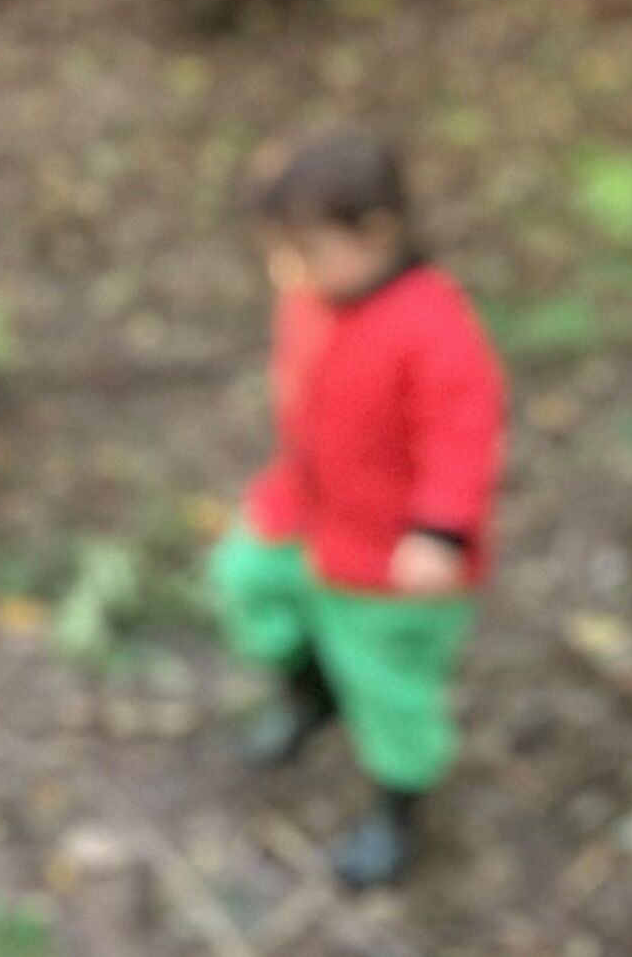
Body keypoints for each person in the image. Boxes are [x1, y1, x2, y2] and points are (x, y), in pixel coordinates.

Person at [208, 131, 508, 889]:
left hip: (389, 558)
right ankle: (311, 691)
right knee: (242, 577)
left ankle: (398, 806)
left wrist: (439, 531)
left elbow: (463, 436)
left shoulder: (433, 326)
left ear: (376, 234)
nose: (287, 271)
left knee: (391, 687)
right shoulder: (311, 297)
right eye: (280, 251)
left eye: (306, 251)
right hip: (305, 514)